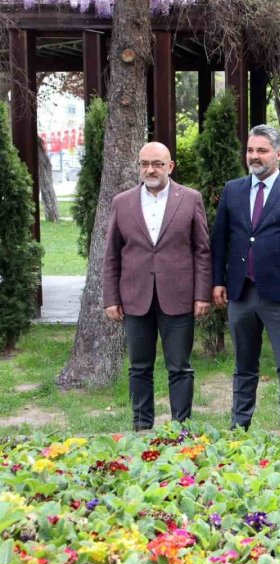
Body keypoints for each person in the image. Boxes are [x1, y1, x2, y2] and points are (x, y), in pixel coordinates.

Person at [210, 124, 280, 432]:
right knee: (244, 365)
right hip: (240, 292)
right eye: (250, 150)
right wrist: (218, 281)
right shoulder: (233, 189)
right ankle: (239, 426)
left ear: (279, 154)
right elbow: (220, 241)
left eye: (262, 150)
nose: (254, 156)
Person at [103, 142, 212, 430]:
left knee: (180, 367)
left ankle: (181, 428)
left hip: (178, 298)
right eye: (144, 164)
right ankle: (142, 427)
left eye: (157, 164)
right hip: (135, 298)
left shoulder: (190, 199)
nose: (150, 169)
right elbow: (112, 254)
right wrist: (111, 298)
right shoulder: (122, 202)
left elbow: (202, 250)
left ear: (170, 166)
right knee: (139, 368)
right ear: (138, 166)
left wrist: (202, 294)